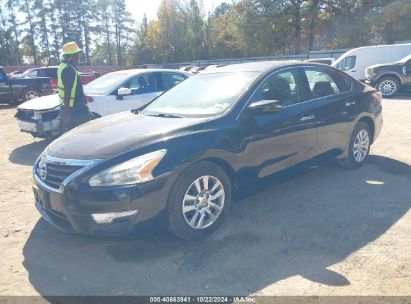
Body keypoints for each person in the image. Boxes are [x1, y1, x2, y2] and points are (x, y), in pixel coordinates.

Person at [57, 41, 91, 132]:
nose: (79, 56)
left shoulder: (63, 66)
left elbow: (74, 87)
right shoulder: (68, 70)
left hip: (72, 108)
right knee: (86, 131)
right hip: (75, 109)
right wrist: (66, 113)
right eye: (77, 54)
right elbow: (67, 91)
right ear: (72, 56)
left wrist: (85, 96)